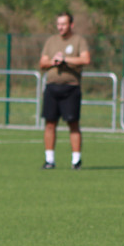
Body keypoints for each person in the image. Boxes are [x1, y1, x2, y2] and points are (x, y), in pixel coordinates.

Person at [39, 11, 91, 170]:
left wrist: (65, 59)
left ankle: (76, 161)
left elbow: (85, 59)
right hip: (52, 88)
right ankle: (49, 160)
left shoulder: (78, 41)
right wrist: (53, 62)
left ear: (71, 25)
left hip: (71, 89)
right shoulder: (51, 41)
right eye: (58, 24)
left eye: (63, 24)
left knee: (73, 124)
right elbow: (42, 63)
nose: (60, 27)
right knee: (49, 124)